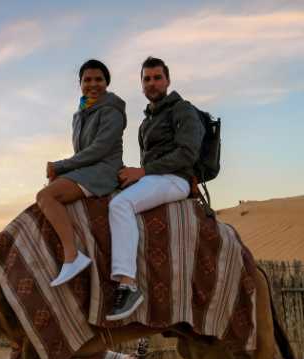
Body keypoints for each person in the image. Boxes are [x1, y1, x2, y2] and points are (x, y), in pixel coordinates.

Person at [106, 57, 205, 321]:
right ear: (141, 84)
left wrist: (143, 172)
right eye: (147, 79)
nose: (152, 83)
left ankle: (128, 285)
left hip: (175, 178)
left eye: (157, 77)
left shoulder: (182, 109)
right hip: (156, 178)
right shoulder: (146, 121)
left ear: (167, 80)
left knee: (121, 205)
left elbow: (187, 153)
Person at [38, 59, 127, 287]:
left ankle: (72, 255)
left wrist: (61, 166)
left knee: (47, 196)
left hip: (104, 169)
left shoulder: (112, 110)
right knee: (50, 189)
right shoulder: (80, 114)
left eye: (99, 79)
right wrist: (62, 170)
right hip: (89, 168)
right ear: (80, 84)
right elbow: (83, 152)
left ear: (107, 82)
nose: (93, 84)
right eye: (87, 80)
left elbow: (99, 149)